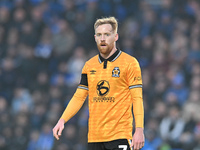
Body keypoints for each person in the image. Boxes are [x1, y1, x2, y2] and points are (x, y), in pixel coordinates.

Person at [53, 16, 145, 150]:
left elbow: (137, 98)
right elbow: (79, 96)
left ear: (116, 37)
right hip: (95, 137)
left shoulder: (130, 63)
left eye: (107, 34)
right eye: (99, 35)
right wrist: (62, 120)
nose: (103, 38)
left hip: (119, 135)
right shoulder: (89, 65)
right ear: (95, 37)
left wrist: (139, 129)